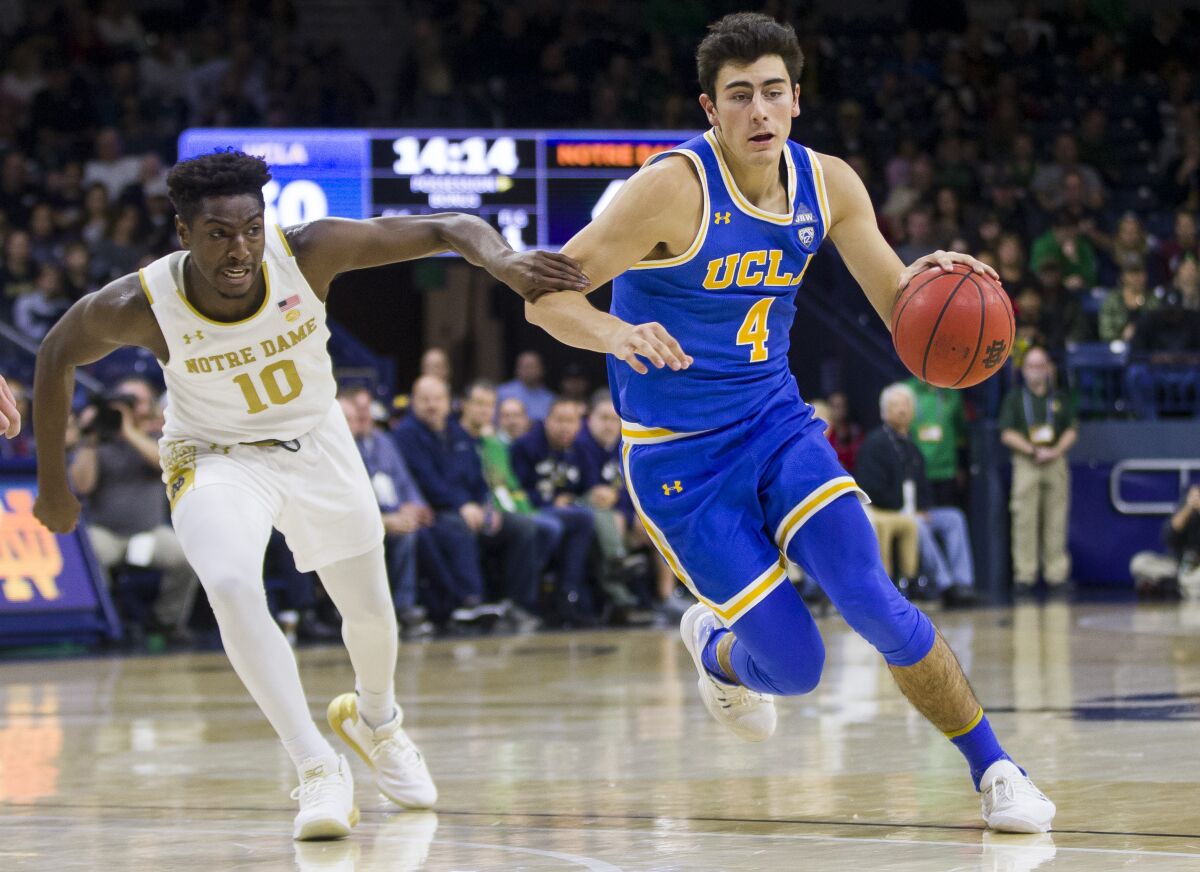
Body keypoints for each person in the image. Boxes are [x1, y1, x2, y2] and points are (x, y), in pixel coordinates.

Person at [523, 13, 1054, 832]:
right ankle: (715, 648)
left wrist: (936, 282)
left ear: (797, 99)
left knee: (875, 601)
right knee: (798, 668)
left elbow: (896, 302)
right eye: (740, 97)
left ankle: (997, 770)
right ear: (711, 109)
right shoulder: (669, 189)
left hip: (777, 426)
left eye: (774, 92)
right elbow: (550, 293)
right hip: (681, 461)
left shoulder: (830, 185)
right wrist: (615, 333)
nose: (760, 112)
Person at [32, 150, 586, 841]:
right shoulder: (141, 303)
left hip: (316, 441)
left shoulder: (309, 252)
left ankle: (377, 721)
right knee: (231, 582)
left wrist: (503, 263)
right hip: (214, 456)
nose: (239, 249)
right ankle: (314, 763)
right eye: (217, 234)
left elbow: (450, 225)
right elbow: (54, 353)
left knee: (372, 613)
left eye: (250, 229)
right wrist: (53, 485)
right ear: (183, 234)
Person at [338, 385, 498, 636]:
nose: (363, 415)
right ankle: (421, 606)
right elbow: (350, 499)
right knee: (423, 534)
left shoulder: (383, 441)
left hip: (401, 514)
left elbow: (405, 481)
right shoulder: (341, 449)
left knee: (431, 529)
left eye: (366, 409)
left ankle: (459, 604)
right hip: (364, 520)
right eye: (355, 412)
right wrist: (387, 517)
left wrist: (416, 506)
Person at [394, 376, 546, 620]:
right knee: (458, 527)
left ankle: (518, 604)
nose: (432, 405)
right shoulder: (406, 434)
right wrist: (462, 505)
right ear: (413, 402)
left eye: (437, 399)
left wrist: (485, 507)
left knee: (523, 527)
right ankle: (469, 601)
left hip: (469, 507)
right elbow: (427, 480)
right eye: (425, 400)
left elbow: (476, 475)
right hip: (434, 510)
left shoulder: (456, 433)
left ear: (448, 402)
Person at [68, 377, 199, 642]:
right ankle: (109, 620)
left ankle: (166, 621)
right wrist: (91, 439)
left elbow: (166, 466)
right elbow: (81, 485)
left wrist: (128, 431)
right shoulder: (97, 441)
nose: (126, 407)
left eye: (134, 401)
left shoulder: (161, 437)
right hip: (106, 533)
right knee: (87, 554)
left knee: (189, 556)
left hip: (149, 533)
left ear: (149, 407)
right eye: (122, 400)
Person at [856, 384, 977, 608]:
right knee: (917, 524)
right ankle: (945, 584)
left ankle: (964, 581)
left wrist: (924, 506)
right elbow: (870, 488)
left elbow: (922, 487)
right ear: (884, 411)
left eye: (906, 405)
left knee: (954, 518)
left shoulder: (912, 445)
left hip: (916, 510)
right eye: (896, 405)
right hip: (887, 510)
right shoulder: (875, 443)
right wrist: (904, 508)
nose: (902, 410)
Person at [998, 347, 1078, 596]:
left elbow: (1071, 430)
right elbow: (1007, 433)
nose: (1036, 371)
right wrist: (1033, 450)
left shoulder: (1059, 398)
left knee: (1056, 519)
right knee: (1025, 520)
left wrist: (1055, 452)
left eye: (1040, 365)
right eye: (1031, 366)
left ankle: (1056, 575)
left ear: (1048, 369)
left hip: (1055, 461)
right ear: (1023, 370)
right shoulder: (1015, 398)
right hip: (1027, 461)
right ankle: (1025, 575)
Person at [905, 376, 968, 508]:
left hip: (946, 471)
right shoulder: (906, 390)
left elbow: (961, 434)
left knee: (947, 516)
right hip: (915, 472)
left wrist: (961, 466)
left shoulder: (952, 393)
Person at [1130, 485, 1200, 599]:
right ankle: (1174, 586)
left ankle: (1167, 586)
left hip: (1196, 571)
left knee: (1190, 581)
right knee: (1139, 562)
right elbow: (1169, 535)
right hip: (1176, 565)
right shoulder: (1189, 500)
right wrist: (1189, 507)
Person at [496, 350, 554, 422]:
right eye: (525, 366)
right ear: (517, 369)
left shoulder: (550, 398)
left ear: (541, 369)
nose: (528, 370)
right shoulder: (502, 392)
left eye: (532, 366)